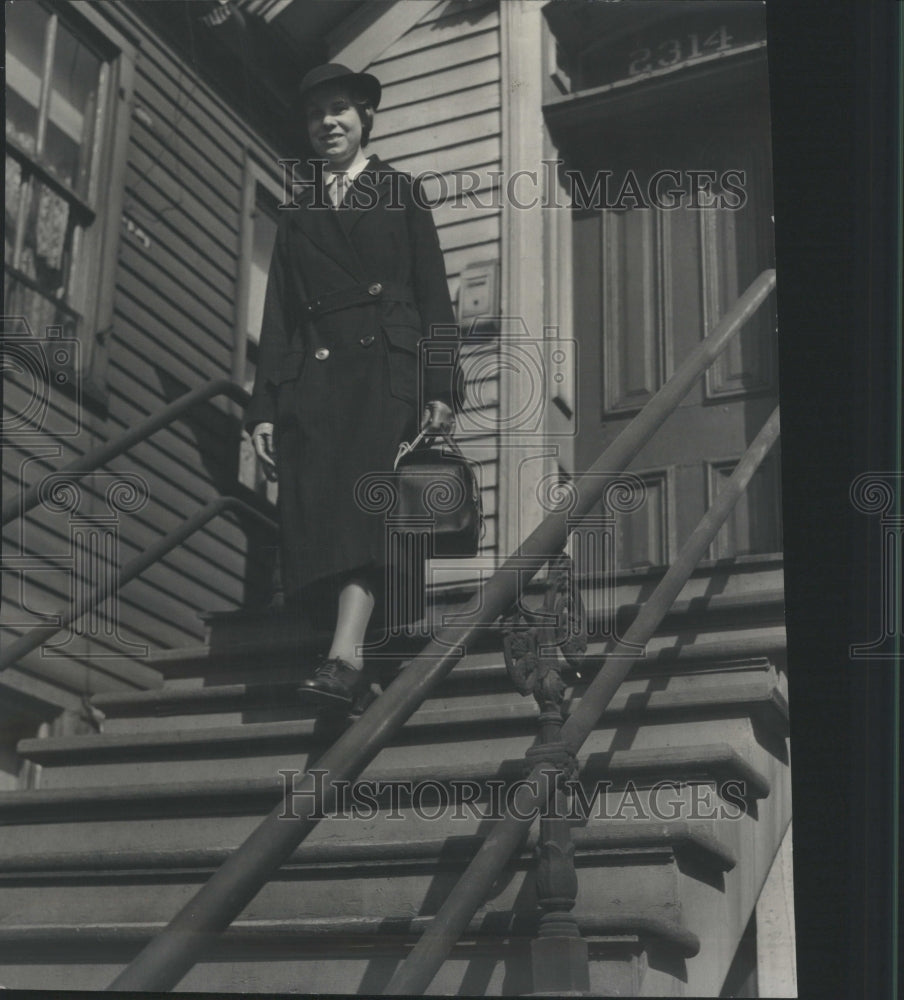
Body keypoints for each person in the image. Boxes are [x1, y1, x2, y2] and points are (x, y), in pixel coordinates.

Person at [245, 63, 457, 712]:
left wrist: (441, 387)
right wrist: (265, 408)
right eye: (315, 115)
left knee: (366, 507)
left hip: (383, 373)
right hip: (314, 378)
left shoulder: (400, 192)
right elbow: (278, 315)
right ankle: (353, 663)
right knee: (317, 511)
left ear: (365, 119)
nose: (327, 123)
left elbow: (434, 300)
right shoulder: (300, 208)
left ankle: (344, 656)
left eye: (339, 110)